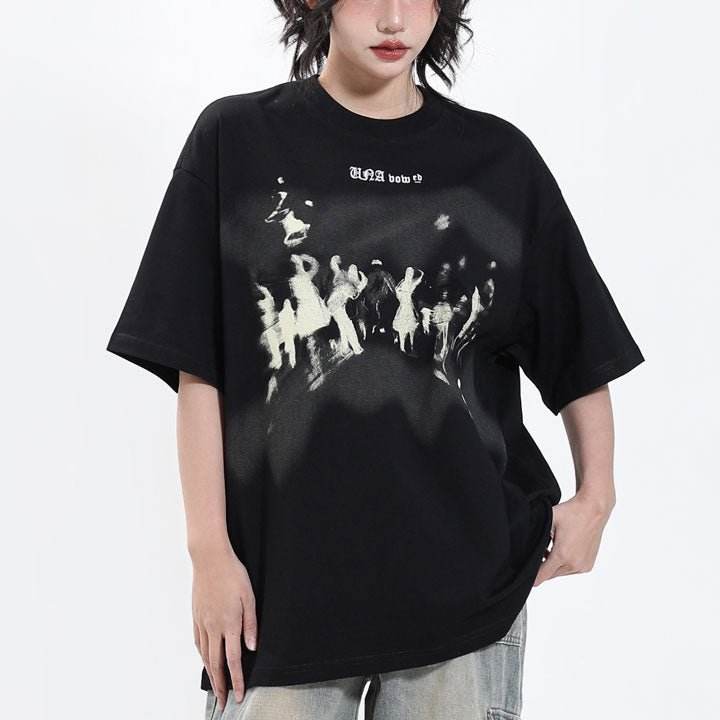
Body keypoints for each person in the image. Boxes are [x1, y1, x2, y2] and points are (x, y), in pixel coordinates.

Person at [106, 1, 646, 718]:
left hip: (464, 596)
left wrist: (597, 495)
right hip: (280, 596)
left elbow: (580, 347)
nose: (395, 19)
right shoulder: (236, 141)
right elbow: (196, 367)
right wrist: (209, 553)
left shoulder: (499, 162)